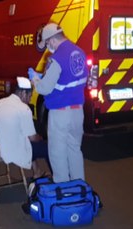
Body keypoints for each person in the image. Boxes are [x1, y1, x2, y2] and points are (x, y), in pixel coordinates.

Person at [29, 22, 88, 183]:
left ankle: (63, 191)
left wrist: (35, 79)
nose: (48, 47)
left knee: (57, 154)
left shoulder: (56, 58)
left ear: (52, 40)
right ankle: (79, 187)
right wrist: (45, 77)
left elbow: (45, 89)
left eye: (47, 44)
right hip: (77, 112)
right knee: (75, 150)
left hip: (60, 113)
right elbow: (69, 79)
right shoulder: (80, 53)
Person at [0, 77, 50, 179]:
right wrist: (41, 138)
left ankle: (37, 172)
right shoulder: (23, 108)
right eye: (30, 96)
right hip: (9, 151)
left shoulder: (1, 101)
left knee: (26, 141)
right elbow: (33, 138)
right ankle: (58, 177)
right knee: (49, 148)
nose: (30, 100)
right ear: (23, 93)